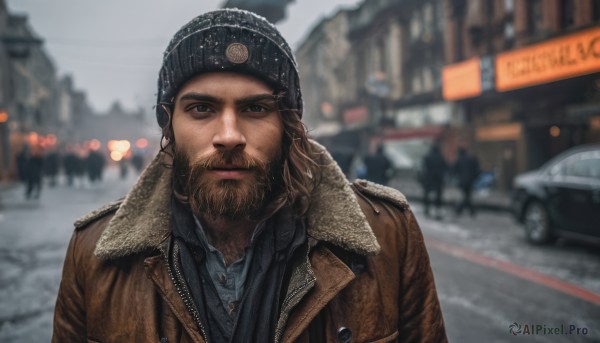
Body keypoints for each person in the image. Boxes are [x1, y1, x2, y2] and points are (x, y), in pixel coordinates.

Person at [52, 9, 447, 343]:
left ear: (289, 124)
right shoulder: (93, 253)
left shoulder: (387, 237)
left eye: (255, 109)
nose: (229, 136)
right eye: (201, 109)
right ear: (168, 125)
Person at [420, 144, 448, 219]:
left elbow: (423, 167)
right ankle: (437, 209)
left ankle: (427, 209)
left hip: (429, 178)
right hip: (438, 179)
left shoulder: (427, 157)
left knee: (426, 194)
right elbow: (445, 167)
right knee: (438, 195)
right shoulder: (441, 157)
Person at [453, 147, 480, 217]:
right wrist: (474, 178)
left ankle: (460, 210)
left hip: (463, 181)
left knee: (466, 196)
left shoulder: (460, 159)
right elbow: (477, 169)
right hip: (470, 181)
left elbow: (455, 169)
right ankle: (470, 211)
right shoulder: (471, 159)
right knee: (467, 196)